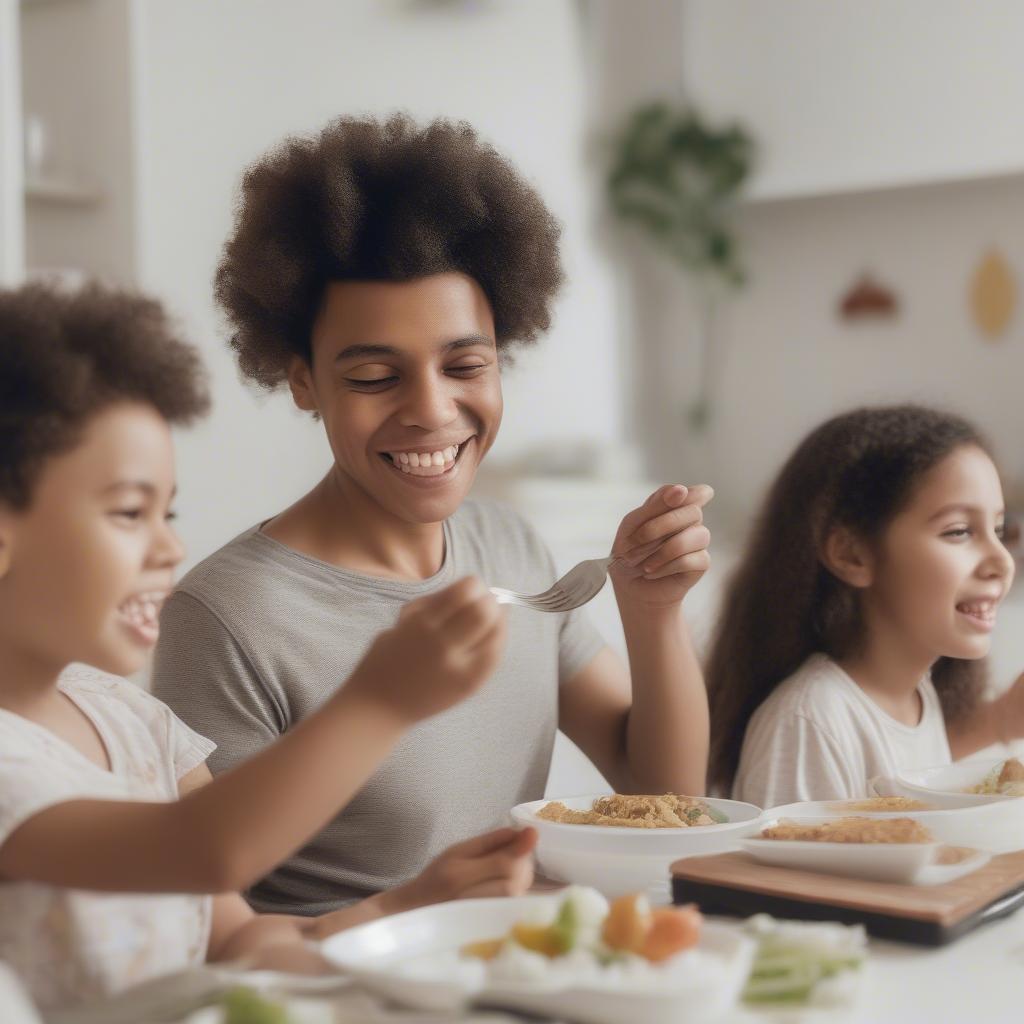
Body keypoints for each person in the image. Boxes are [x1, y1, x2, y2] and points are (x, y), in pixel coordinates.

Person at [152, 113, 714, 914]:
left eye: (464, 365)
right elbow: (209, 925)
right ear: (303, 381)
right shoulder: (227, 616)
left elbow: (662, 795)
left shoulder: (508, 547)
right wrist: (406, 908)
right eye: (377, 376)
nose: (432, 411)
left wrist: (652, 612)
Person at [0, 283, 536, 1012]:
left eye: (169, 510)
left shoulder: (135, 725)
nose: (170, 546)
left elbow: (238, 947)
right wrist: (382, 699)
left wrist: (405, 909)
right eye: (130, 512)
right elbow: (203, 849)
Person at [706, 404, 1022, 808]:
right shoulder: (810, 721)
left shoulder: (916, 696)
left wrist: (1003, 718)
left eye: (999, 530)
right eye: (959, 531)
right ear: (852, 554)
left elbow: (897, 786)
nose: (1002, 562)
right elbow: (786, 871)